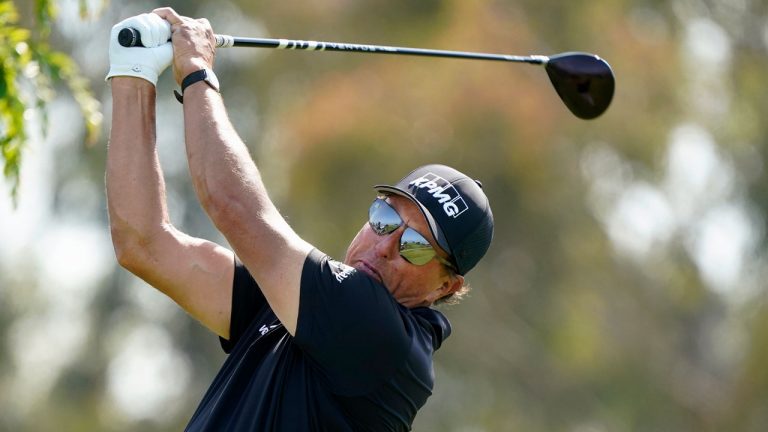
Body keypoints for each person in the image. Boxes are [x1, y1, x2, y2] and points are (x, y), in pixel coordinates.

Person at [105, 8, 493, 431]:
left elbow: (232, 206)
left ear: (445, 286)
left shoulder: (384, 341)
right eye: (385, 218)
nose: (384, 247)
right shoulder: (301, 305)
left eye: (414, 246)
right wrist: (133, 74)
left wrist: (198, 71)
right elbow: (143, 244)